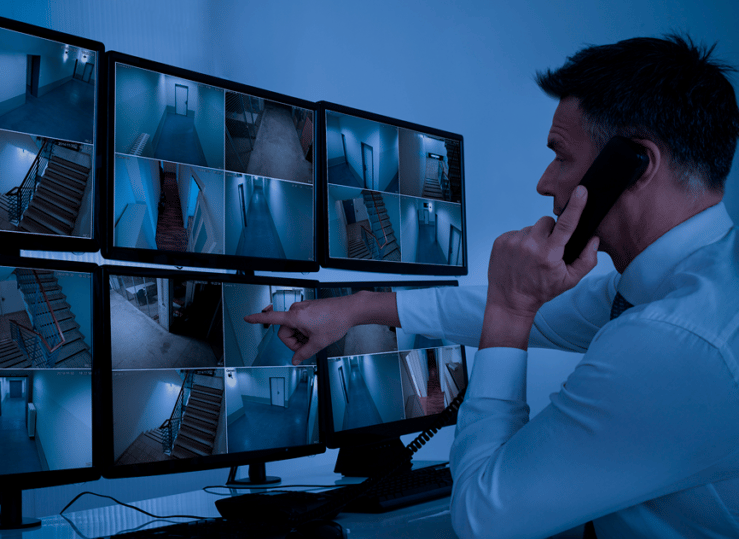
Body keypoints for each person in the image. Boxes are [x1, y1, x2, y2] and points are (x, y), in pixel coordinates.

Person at [245, 34, 739, 538]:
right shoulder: (687, 282)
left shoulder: (673, 340)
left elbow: (485, 521)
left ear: (634, 165)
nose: (546, 183)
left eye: (562, 157)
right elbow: (531, 311)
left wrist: (510, 309)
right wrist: (359, 308)